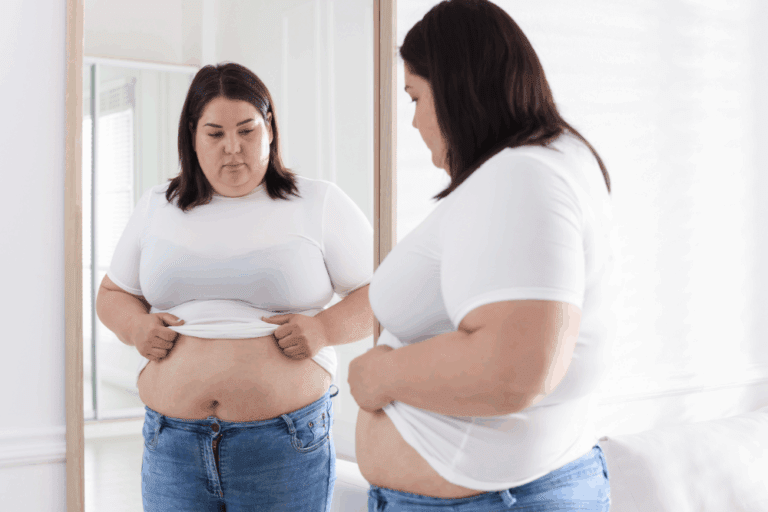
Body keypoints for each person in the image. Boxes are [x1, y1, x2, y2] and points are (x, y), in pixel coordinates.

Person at [348, 1, 613, 510]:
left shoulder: (522, 175)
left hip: (492, 497)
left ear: (455, 89)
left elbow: (513, 367)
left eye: (416, 97)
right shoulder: (552, 161)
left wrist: (378, 375)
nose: (414, 121)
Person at [96, 62, 374, 511]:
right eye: (215, 134)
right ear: (192, 137)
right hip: (172, 446)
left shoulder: (317, 202)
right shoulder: (157, 206)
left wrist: (324, 329)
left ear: (270, 129)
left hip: (283, 445)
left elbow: (379, 296)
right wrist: (134, 328)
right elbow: (112, 294)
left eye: (247, 130)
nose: (233, 148)